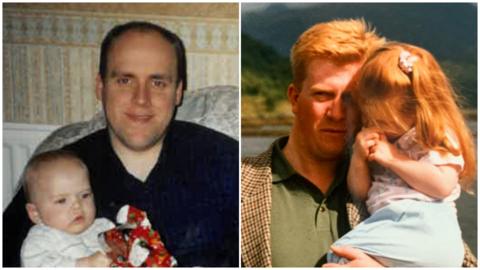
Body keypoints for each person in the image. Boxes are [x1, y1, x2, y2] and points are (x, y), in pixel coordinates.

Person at [241, 19, 477, 267]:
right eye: (323, 94)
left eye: (352, 99)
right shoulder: (238, 185)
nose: (338, 113)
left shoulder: (404, 185)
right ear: (295, 98)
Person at [4, 21, 239, 267]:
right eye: (125, 81)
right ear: (101, 87)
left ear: (178, 92)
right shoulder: (55, 176)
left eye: (158, 83)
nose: (141, 100)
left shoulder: (225, 161)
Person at [325, 42, 476, 267]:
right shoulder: (382, 139)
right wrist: (358, 157)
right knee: (344, 258)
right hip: (391, 223)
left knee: (339, 255)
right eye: (370, 117)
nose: (375, 125)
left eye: (384, 120)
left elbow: (442, 186)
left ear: (416, 109)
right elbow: (360, 193)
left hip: (424, 222)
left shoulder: (436, 135)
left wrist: (393, 158)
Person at [21, 150, 114, 267]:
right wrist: (83, 265)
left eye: (84, 195)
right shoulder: (39, 241)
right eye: (62, 200)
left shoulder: (103, 227)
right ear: (35, 213)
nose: (77, 205)